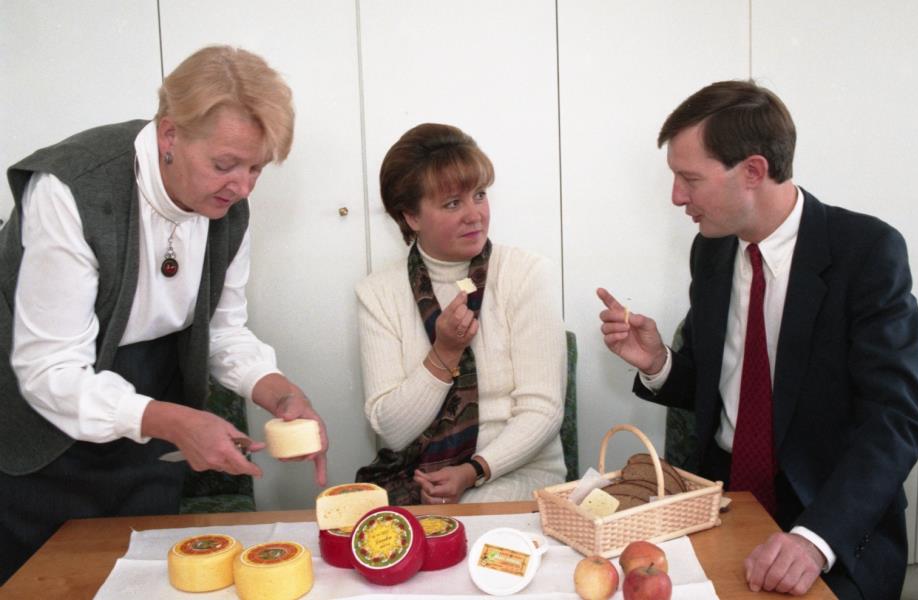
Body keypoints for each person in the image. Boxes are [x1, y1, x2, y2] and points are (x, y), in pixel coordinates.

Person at [0, 45, 329, 584]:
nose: (243, 187)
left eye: (256, 168)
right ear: (169, 135)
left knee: (142, 579)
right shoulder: (71, 189)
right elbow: (50, 370)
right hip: (38, 420)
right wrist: (175, 423)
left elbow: (223, 330)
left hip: (153, 397)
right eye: (225, 165)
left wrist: (279, 392)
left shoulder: (228, 205)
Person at [598, 80, 918, 599]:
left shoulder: (866, 252)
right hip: (722, 500)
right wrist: (659, 363)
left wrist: (814, 540)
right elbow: (725, 388)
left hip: (828, 515)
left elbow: (895, 420)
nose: (677, 196)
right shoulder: (712, 252)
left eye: (689, 179)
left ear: (753, 171)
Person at [354, 123, 566, 505]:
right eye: (453, 203)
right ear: (411, 216)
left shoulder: (525, 273)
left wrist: (473, 471)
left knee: (459, 519)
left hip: (519, 472)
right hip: (418, 476)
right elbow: (393, 430)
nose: (475, 215)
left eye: (479, 195)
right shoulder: (378, 294)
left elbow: (544, 410)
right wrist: (444, 353)